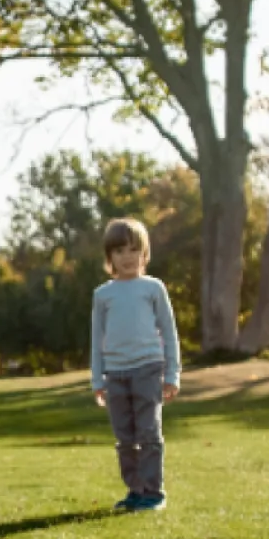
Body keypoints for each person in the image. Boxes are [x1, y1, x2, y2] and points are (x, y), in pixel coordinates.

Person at [90, 218, 181, 512]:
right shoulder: (103, 295)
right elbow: (96, 339)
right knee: (125, 439)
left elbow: (169, 331)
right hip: (115, 374)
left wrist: (173, 373)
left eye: (133, 250)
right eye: (119, 251)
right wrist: (97, 379)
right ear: (109, 258)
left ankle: (153, 493)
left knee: (149, 434)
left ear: (144, 254)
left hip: (148, 369)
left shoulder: (153, 288)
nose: (127, 257)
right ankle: (135, 491)